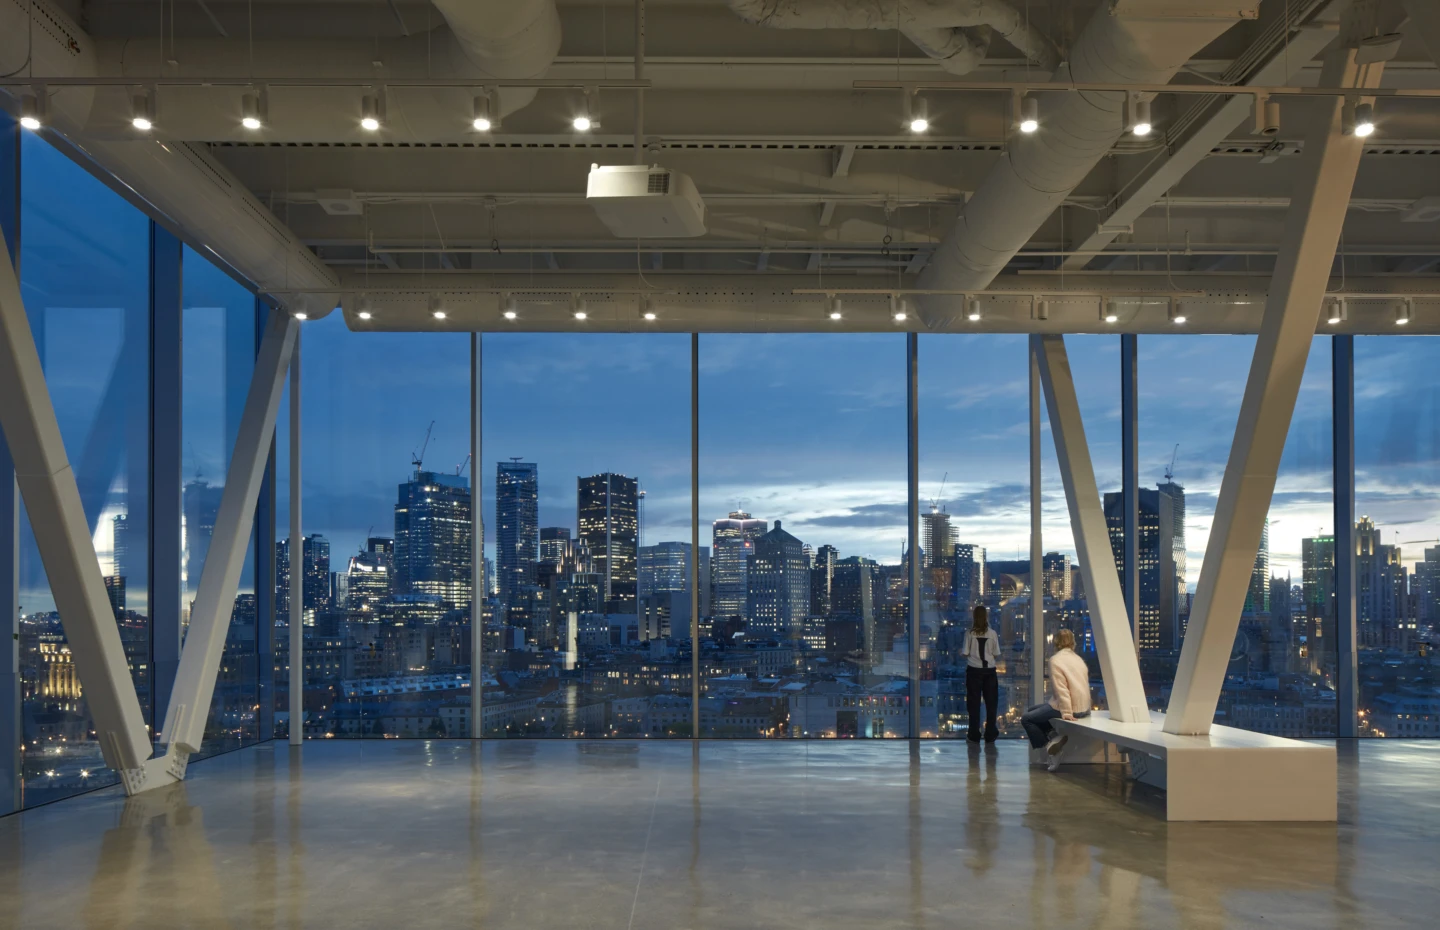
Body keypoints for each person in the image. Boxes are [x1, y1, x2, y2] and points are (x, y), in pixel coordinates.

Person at [1021, 629, 1090, 771]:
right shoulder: (1078, 659)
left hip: (1071, 707)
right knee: (1033, 710)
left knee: (1026, 719)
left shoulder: (1056, 660)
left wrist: (1066, 712)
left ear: (1056, 642)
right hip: (1083, 707)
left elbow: (1061, 689)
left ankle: (1052, 749)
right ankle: (1054, 737)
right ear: (1072, 642)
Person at [961, 605, 1001, 742]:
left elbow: (965, 653)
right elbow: (996, 654)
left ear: (974, 617)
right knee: (991, 703)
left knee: (973, 704)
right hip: (989, 671)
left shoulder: (969, 634)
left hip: (973, 671)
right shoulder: (993, 633)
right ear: (986, 617)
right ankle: (990, 733)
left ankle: (974, 734)